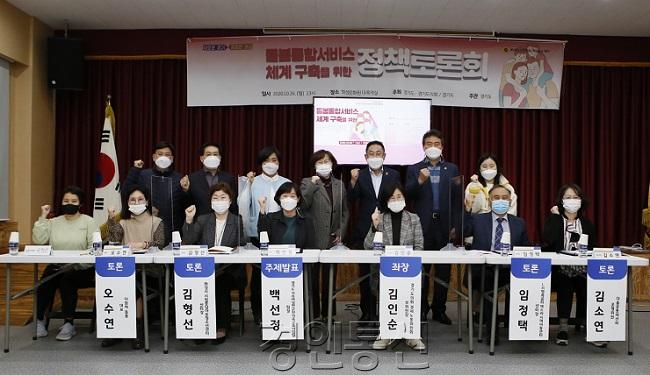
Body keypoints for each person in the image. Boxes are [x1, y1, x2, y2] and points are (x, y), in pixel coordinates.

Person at [406, 129, 460, 325]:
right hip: (422, 225)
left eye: (437, 144)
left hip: (445, 225)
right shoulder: (414, 169)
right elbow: (407, 195)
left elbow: (456, 199)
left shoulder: (452, 169)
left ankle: (439, 309)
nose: (433, 147)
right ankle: (421, 309)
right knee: (422, 270)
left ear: (442, 147)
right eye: (429, 144)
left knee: (443, 271)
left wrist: (456, 225)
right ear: (423, 147)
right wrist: (420, 181)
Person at [363, 183, 425, 350]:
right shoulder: (381, 218)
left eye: (399, 197)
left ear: (404, 199)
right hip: (385, 272)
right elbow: (368, 246)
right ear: (386, 200)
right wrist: (374, 226)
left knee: (408, 299)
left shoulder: (413, 219)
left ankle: (412, 335)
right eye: (392, 198)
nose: (396, 200)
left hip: (408, 270)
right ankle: (385, 333)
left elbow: (419, 246)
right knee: (388, 298)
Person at [33, 186, 99, 341]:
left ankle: (69, 323)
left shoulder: (89, 221)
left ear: (80, 204)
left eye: (74, 201)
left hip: (83, 268)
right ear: (61, 202)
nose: (69, 203)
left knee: (66, 281)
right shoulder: (54, 222)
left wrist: (77, 263)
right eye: (66, 200)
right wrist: (43, 217)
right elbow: (39, 240)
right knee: (44, 282)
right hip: (57, 266)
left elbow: (94, 248)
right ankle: (40, 320)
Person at [183, 182, 246, 344]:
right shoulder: (203, 220)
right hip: (205, 269)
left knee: (219, 282)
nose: (219, 201)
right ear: (210, 202)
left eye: (223, 197)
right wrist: (189, 221)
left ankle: (221, 326)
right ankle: (201, 326)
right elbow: (188, 241)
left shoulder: (236, 219)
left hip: (229, 270)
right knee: (199, 280)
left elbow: (242, 241)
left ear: (230, 201)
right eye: (215, 198)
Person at [103, 185, 165, 349]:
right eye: (133, 200)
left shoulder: (156, 221)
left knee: (135, 284)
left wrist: (144, 244)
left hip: (150, 270)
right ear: (128, 203)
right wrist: (111, 217)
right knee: (112, 282)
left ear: (147, 201)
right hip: (125, 269)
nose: (136, 202)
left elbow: (160, 243)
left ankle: (137, 329)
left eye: (140, 199)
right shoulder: (123, 222)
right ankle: (114, 330)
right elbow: (114, 239)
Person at [465, 185, 530, 341]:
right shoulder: (478, 219)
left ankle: (523, 329)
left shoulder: (518, 223)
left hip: (510, 269)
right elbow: (463, 232)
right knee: (489, 286)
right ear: (489, 200)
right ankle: (492, 332)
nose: (500, 201)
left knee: (527, 282)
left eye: (504, 198)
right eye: (496, 198)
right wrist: (467, 210)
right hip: (485, 269)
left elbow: (525, 246)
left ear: (510, 201)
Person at [542, 183, 603, 347]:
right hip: (559, 269)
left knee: (592, 282)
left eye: (575, 197)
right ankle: (563, 328)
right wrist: (555, 217)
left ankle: (593, 327)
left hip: (583, 269)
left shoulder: (587, 224)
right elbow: (549, 241)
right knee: (565, 282)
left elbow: (593, 248)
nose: (572, 200)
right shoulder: (555, 220)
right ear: (561, 202)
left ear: (581, 201)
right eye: (568, 197)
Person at [347, 140, 400, 323]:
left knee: (385, 272)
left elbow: (398, 199)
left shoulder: (393, 174)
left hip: (388, 228)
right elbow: (351, 200)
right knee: (365, 274)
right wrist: (353, 182)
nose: (375, 156)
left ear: (384, 156)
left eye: (379, 153)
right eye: (371, 153)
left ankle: (386, 312)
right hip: (365, 229)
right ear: (365, 156)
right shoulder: (359, 175)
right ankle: (367, 312)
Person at [238, 146, 290, 324]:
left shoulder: (286, 182)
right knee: (259, 276)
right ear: (261, 163)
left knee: (279, 274)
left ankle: (280, 312)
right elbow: (243, 206)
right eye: (267, 160)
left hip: (282, 234)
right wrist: (248, 184)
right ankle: (258, 313)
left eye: (274, 160)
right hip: (257, 234)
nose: (271, 164)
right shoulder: (252, 181)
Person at [300, 150, 349, 319]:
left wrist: (341, 232)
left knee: (329, 280)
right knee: (312, 281)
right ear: (314, 166)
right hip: (313, 239)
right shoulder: (307, 182)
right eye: (319, 162)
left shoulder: (339, 184)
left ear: (332, 163)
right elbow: (302, 206)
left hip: (332, 239)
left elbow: (345, 212)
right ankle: (313, 314)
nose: (323, 164)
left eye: (326, 161)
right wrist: (313, 185)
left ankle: (328, 314)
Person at [123, 141, 188, 245]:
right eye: (160, 154)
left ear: (172, 159)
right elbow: (127, 192)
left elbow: (184, 205)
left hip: (174, 231)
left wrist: (185, 190)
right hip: (147, 231)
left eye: (167, 155)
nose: (163, 157)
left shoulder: (179, 178)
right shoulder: (143, 175)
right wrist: (135, 170)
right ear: (154, 157)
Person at [184, 142, 238, 217]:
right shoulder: (192, 178)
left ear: (220, 158)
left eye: (215, 154)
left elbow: (234, 205)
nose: (212, 157)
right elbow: (187, 204)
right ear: (201, 158)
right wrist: (185, 190)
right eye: (208, 154)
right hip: (200, 224)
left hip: (224, 222)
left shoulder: (229, 178)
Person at [257, 182, 315, 249]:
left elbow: (310, 246)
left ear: (298, 199)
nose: (288, 199)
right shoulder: (271, 218)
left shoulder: (306, 220)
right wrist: (262, 208)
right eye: (285, 196)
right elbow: (262, 238)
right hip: (275, 258)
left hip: (299, 258)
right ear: (279, 198)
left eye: (292, 196)